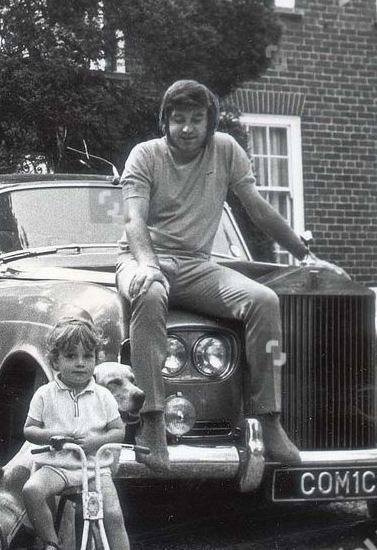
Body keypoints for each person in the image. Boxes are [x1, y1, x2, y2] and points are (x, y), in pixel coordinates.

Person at [118, 79, 346, 471]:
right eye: (178, 120)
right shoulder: (145, 156)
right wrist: (148, 265)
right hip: (142, 259)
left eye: (196, 119)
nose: (187, 128)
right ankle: (151, 424)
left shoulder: (225, 150)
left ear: (210, 122)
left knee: (263, 301)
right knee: (151, 293)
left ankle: (269, 420)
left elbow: (257, 209)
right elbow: (133, 219)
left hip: (196, 265)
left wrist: (305, 256)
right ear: (165, 123)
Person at [22, 316, 138, 550]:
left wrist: (96, 442)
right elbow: (29, 430)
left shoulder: (102, 396)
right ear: (55, 361)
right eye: (71, 356)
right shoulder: (45, 394)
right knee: (32, 490)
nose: (80, 363)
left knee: (113, 515)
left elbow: (117, 430)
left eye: (88, 356)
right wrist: (53, 435)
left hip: (93, 468)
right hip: (58, 465)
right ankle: (52, 544)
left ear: (96, 360)